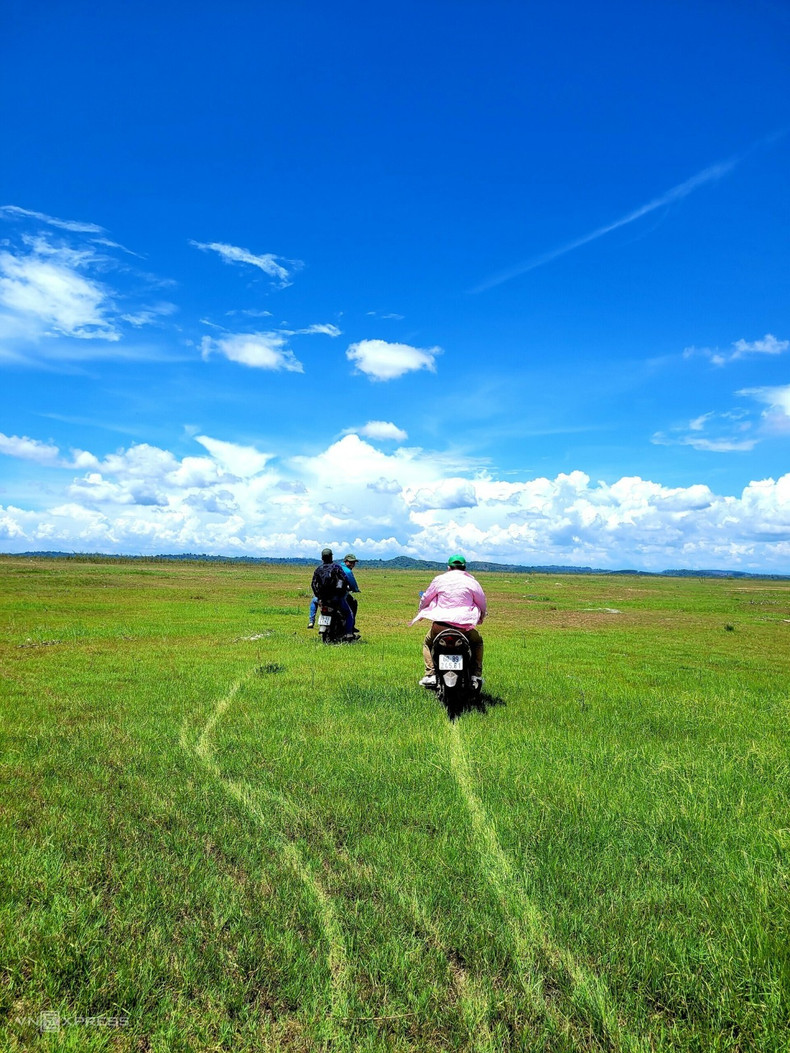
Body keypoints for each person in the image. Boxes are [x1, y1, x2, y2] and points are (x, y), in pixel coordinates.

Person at [410, 554, 486, 690]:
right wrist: (481, 617)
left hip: (440, 627)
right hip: (464, 628)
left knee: (428, 643)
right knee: (477, 642)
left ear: (448, 568)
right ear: (465, 568)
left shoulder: (439, 579)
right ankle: (476, 675)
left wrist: (421, 611)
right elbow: (482, 601)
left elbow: (426, 598)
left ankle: (430, 674)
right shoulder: (472, 582)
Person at [308, 547, 355, 639]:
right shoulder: (336, 567)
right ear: (331, 557)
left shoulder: (318, 569)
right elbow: (344, 579)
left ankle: (311, 621)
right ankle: (349, 632)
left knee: (314, 601)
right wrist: (341, 591)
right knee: (349, 613)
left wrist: (318, 595)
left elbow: (313, 584)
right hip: (335, 598)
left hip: (322, 598)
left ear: (322, 558)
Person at [340, 552, 361, 629]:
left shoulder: (337, 567)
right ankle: (351, 626)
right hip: (341, 594)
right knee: (353, 604)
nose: (352, 564)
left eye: (354, 562)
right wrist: (356, 589)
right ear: (345, 561)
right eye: (350, 562)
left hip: (328, 593)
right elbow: (352, 583)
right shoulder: (347, 571)